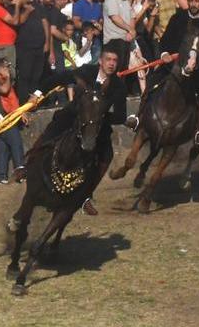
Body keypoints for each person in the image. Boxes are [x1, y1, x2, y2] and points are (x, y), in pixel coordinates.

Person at [29, 41, 131, 215]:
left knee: (107, 155)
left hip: (97, 126)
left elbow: (120, 115)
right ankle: (28, 164)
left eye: (115, 60)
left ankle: (86, 196)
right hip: (74, 116)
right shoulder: (85, 72)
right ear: (100, 61)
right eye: (108, 59)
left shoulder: (118, 86)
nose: (112, 63)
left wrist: (99, 119)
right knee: (55, 126)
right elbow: (59, 78)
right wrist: (38, 94)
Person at [156, 0, 199, 146]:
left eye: (196, 1)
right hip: (173, 64)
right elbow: (165, 40)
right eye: (191, 1)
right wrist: (164, 53)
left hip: (198, 67)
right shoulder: (177, 18)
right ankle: (139, 117)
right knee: (153, 80)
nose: (193, 4)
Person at [0, 58, 24, 185]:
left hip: (7, 116)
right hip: (0, 117)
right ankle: (20, 173)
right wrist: (8, 77)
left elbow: (11, 99)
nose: (7, 69)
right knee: (16, 142)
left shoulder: (2, 80)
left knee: (3, 147)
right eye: (5, 67)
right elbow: (4, 90)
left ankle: (0, 176)